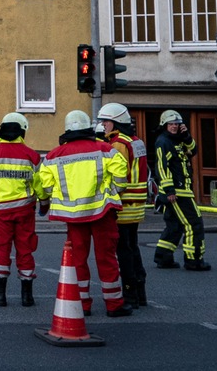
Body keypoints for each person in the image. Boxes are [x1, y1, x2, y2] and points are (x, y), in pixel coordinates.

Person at [37, 109, 134, 317]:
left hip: (73, 216)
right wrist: (114, 191)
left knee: (77, 260)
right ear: (88, 129)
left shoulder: (53, 156)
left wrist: (56, 197)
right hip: (102, 213)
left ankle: (82, 304)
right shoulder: (105, 150)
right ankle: (114, 304)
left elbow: (44, 184)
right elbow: (121, 175)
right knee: (106, 258)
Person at [0, 112, 45, 307]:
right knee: (25, 248)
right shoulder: (32, 155)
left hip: (0, 210)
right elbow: (41, 183)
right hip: (24, 209)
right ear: (22, 131)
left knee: (2, 249)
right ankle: (27, 296)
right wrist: (44, 201)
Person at [97, 102, 150, 307]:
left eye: (106, 122)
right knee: (132, 248)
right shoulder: (136, 141)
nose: (103, 126)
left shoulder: (118, 144)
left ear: (116, 122)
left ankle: (129, 295)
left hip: (124, 203)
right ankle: (140, 292)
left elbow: (117, 175)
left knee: (124, 251)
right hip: (136, 204)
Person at [152, 110, 209, 270]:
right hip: (177, 193)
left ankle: (163, 258)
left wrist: (187, 136)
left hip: (180, 191)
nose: (174, 127)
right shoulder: (163, 141)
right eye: (171, 124)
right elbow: (162, 167)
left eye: (176, 124)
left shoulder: (178, 140)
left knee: (175, 226)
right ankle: (194, 260)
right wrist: (170, 190)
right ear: (165, 125)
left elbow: (193, 150)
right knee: (194, 224)